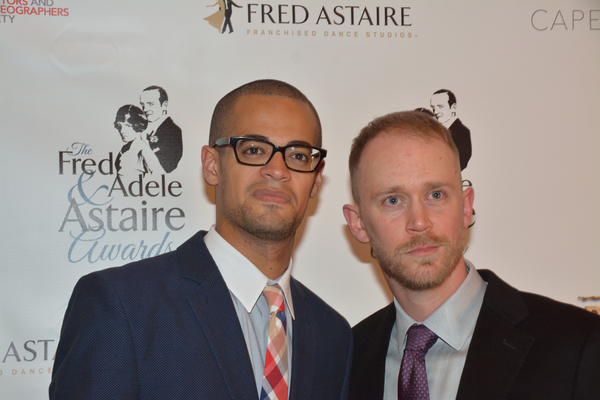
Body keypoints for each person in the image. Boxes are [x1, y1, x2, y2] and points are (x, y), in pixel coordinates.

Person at [50, 80, 352, 399]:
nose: (277, 170)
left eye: (298, 155)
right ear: (211, 166)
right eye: (253, 150)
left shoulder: (334, 334)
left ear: (317, 180)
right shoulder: (121, 306)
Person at [342, 110, 600, 399]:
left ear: (466, 208)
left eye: (436, 195)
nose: (419, 221)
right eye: (393, 200)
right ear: (359, 224)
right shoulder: (345, 363)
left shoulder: (578, 346)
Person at [113, 104, 165, 180]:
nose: (122, 131)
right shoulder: (124, 148)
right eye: (120, 125)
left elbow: (160, 176)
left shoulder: (143, 150)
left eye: (128, 126)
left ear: (138, 125)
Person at [140, 85, 183, 173]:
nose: (145, 109)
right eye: (143, 105)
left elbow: (169, 167)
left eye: (150, 104)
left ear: (164, 105)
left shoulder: (173, 131)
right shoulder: (145, 130)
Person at [430, 89, 471, 170]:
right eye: (433, 107)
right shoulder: (435, 131)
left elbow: (461, 163)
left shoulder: (462, 132)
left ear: (453, 107)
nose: (436, 111)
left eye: (440, 107)